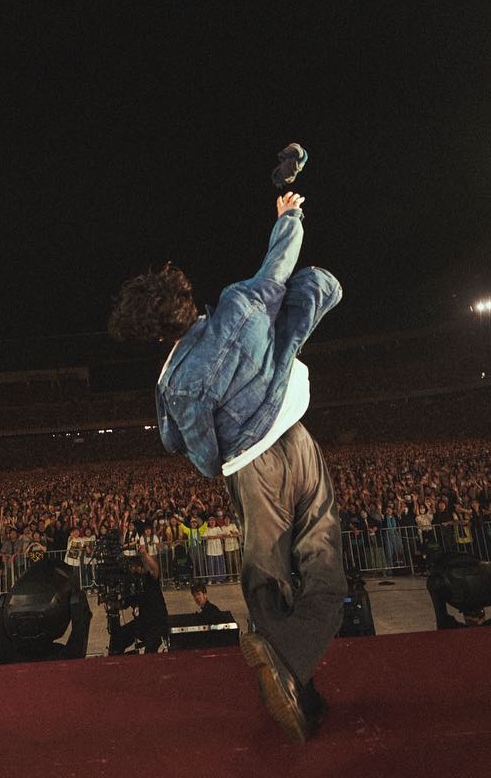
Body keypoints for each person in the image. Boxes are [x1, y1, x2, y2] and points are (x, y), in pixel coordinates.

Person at [108, 146, 342, 742]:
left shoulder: (176, 385)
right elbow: (280, 263)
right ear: (185, 298)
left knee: (268, 576)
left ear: (152, 335)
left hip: (253, 468)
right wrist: (288, 212)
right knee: (323, 562)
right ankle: (301, 680)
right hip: (300, 440)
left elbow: (200, 455)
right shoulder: (240, 302)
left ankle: (285, 668)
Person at [107, 541, 170, 655]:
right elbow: (125, 602)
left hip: (157, 622)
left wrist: (144, 554)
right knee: (119, 637)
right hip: (142, 622)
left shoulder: (150, 580)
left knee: (150, 650)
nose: (134, 570)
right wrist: (112, 603)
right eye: (132, 568)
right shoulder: (133, 585)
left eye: (137, 567)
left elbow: (155, 569)